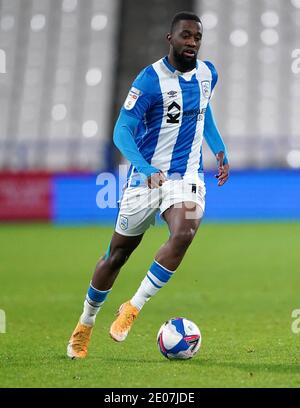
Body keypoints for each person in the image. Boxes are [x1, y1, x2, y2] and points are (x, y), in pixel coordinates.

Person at [67, 11, 229, 359]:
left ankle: (133, 306)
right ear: (170, 38)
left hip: (185, 176)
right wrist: (144, 167)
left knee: (184, 231)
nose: (192, 43)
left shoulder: (208, 74)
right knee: (116, 256)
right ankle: (86, 322)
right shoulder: (149, 80)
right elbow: (121, 130)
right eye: (186, 36)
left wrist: (219, 148)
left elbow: (203, 110)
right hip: (144, 179)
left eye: (197, 37)